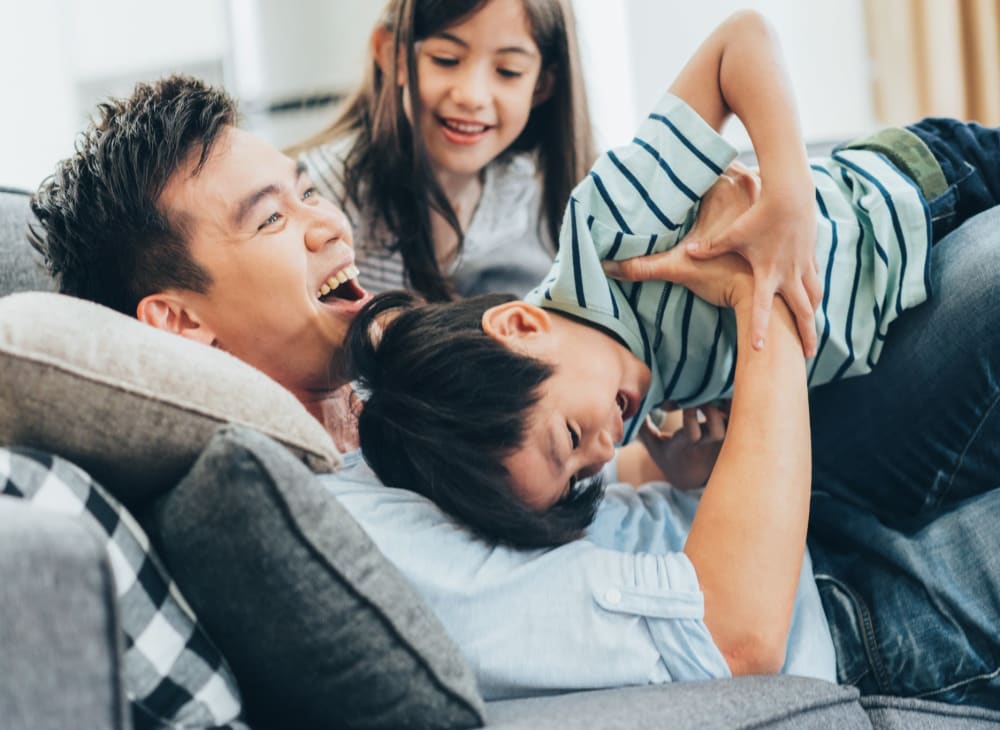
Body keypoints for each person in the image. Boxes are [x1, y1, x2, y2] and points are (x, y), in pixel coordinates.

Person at [27, 12, 1000, 709]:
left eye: (301, 189)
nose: (328, 226)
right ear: (179, 322)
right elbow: (734, 629)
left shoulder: (374, 415)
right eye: (274, 218)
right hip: (852, 604)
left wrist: (658, 454)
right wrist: (762, 297)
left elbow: (571, 495)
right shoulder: (342, 526)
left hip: (800, 490)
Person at [346, 9, 1000, 542]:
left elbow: (739, 42)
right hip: (888, 332)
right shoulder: (606, 403)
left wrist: (790, 195)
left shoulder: (609, 227)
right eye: (581, 474)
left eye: (571, 441)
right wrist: (684, 468)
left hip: (920, 197)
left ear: (519, 325)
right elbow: (623, 457)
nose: (599, 453)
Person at [291, 0, 595, 301]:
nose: (472, 96)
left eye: (509, 71)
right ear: (392, 55)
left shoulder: (526, 185)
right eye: (446, 59)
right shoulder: (323, 194)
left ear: (542, 85)